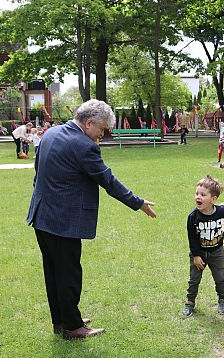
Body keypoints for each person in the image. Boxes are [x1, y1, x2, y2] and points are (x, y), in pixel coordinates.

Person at [26, 99, 157, 340]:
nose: (102, 135)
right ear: (88, 124)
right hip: (62, 222)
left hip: (41, 216)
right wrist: (138, 202)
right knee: (69, 275)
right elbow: (108, 181)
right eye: (102, 129)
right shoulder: (83, 146)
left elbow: (38, 172)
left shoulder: (51, 133)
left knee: (54, 273)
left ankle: (62, 320)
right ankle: (73, 326)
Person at [182, 175, 224, 317]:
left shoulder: (220, 211)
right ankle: (190, 302)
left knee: (220, 278)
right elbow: (192, 238)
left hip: (216, 252)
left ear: (213, 199)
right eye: (197, 194)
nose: (198, 197)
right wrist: (196, 255)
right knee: (194, 279)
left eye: (203, 195)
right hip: (199, 253)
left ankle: (223, 300)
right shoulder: (193, 217)